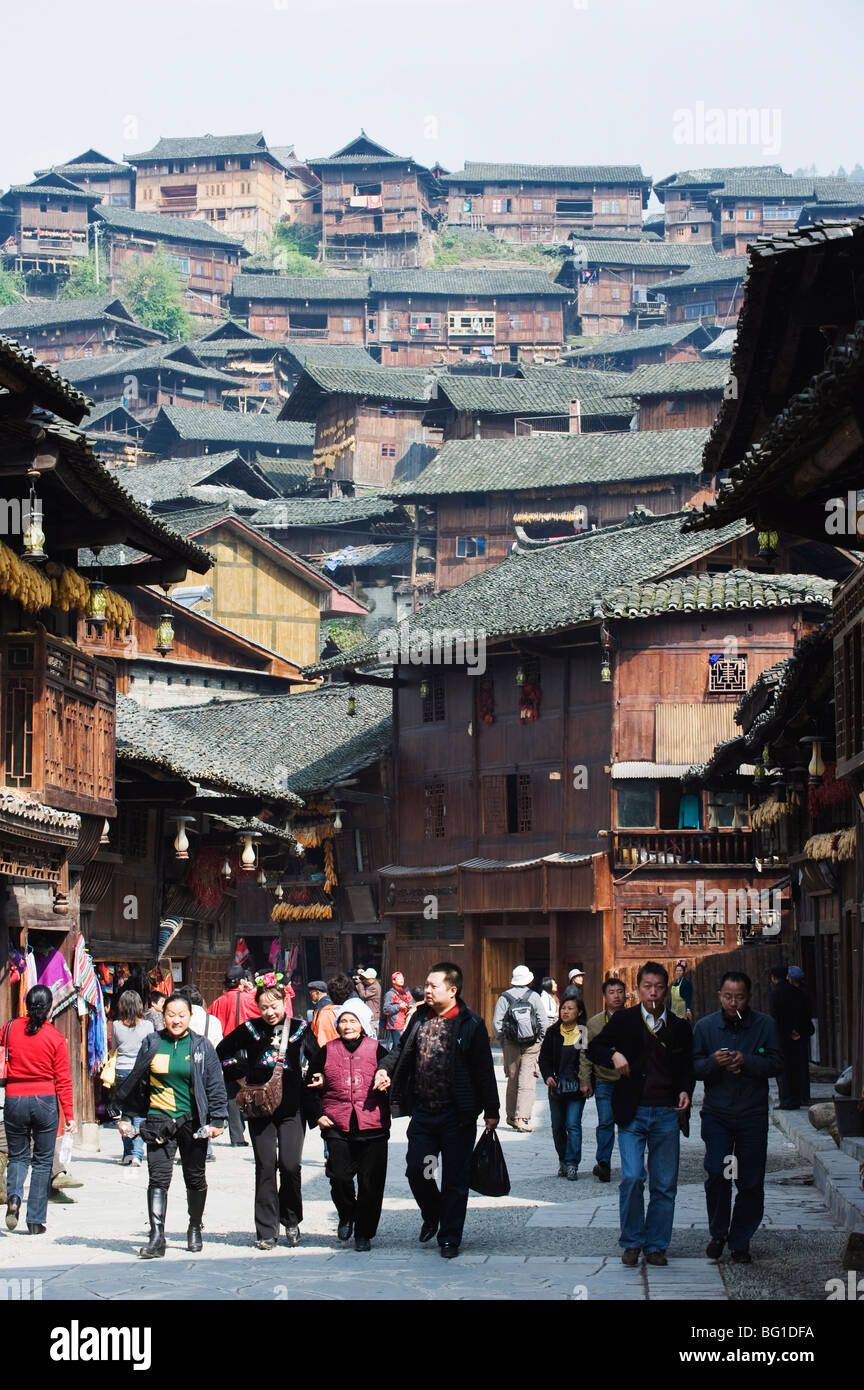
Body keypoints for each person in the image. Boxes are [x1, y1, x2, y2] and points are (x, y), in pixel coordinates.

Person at [374, 962, 499, 1258]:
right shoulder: (419, 1018)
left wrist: (491, 1110)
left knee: (455, 1177)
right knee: (420, 1169)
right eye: (426, 985)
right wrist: (383, 1070)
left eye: (433, 986)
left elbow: (484, 1071)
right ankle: (433, 1213)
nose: (427, 990)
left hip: (457, 1117)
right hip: (425, 1115)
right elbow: (399, 1051)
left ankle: (449, 1237)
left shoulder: (470, 1024)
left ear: (452, 990)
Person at [587, 961, 694, 1267]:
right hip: (632, 1111)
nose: (653, 993)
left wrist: (686, 1090)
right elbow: (594, 1047)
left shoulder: (679, 1027)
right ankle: (632, 1240)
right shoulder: (624, 1021)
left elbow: (687, 1068)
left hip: (666, 1112)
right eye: (647, 987)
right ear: (637, 989)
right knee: (632, 1177)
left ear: (667, 990)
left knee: (664, 1183)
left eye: (659, 987)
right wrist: (613, 1054)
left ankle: (656, 1245)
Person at [114, 993, 227, 1258]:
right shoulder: (152, 1042)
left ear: (190, 1017)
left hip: (193, 1121)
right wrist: (128, 1115)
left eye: (181, 1015)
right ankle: (157, 1236)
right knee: (158, 1178)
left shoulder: (201, 1046)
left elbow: (214, 1084)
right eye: (170, 1015)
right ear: (162, 1016)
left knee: (195, 1177)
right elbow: (137, 1082)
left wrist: (219, 1119)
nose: (176, 1020)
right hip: (158, 1120)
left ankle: (195, 1226)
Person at [693, 971, 784, 1264]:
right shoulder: (706, 1027)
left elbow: (777, 1063)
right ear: (720, 996)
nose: (734, 1003)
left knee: (750, 1180)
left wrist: (747, 1062)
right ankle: (718, 1232)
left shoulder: (765, 1025)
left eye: (739, 997)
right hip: (717, 1113)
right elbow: (692, 1068)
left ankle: (741, 1240)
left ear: (749, 997)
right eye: (728, 997)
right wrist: (712, 1063)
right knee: (718, 1173)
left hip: (752, 1113)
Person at [217, 975, 314, 1250]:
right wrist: (241, 1078)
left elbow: (318, 1059)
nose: (270, 1012)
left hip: (292, 1107)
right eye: (264, 1007)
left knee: (290, 1164)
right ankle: (266, 1230)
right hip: (260, 1108)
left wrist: (316, 1078)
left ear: (284, 1002)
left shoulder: (300, 1028)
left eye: (275, 1006)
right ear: (257, 1007)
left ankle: (292, 1219)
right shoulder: (249, 1029)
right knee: (265, 1166)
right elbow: (222, 1052)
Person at [307, 1007, 390, 1251]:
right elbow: (309, 1084)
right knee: (340, 1176)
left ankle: (364, 1232)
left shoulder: (377, 1049)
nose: (347, 1026)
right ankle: (346, 1213)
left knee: (370, 1183)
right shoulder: (326, 1050)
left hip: (372, 1123)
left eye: (353, 1021)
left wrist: (387, 1083)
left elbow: (395, 1075)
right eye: (343, 1021)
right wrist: (318, 1114)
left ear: (362, 1024)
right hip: (337, 1123)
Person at [4, 985, 77, 1235]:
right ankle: (35, 1220)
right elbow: (63, 1080)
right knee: (43, 1161)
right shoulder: (55, 1037)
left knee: (17, 1156)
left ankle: (14, 1196)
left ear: (26, 1004)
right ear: (49, 1008)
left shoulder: (9, 1029)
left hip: (14, 1097)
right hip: (45, 1099)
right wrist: (69, 1115)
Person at [580, 977, 627, 1182]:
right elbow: (584, 1052)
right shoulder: (594, 1022)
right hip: (604, 1080)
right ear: (605, 996)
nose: (616, 996)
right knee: (606, 1122)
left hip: (628, 1081)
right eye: (612, 992)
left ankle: (630, 1163)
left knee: (629, 1123)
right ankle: (604, 1163)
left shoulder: (633, 1018)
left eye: (620, 991)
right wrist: (585, 1079)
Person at [207, 966, 260, 1145]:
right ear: (241, 981)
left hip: (228, 1051)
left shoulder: (218, 1002)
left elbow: (211, 1021)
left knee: (231, 1092)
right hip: (250, 1049)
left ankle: (237, 1137)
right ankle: (261, 1131)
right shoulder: (251, 999)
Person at [539, 997, 590, 1179]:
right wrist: (548, 1076)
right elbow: (544, 1058)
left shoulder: (583, 1032)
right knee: (557, 1127)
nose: (565, 1012)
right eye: (563, 1008)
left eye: (570, 1008)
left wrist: (587, 1081)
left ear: (579, 1012)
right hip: (556, 1088)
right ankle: (563, 1159)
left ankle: (572, 1163)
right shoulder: (553, 1032)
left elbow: (586, 1060)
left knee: (573, 1125)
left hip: (576, 1088)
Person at [492, 965, 546, 1132]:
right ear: (528, 980)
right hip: (532, 1044)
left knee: (513, 1078)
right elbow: (543, 1020)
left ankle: (510, 1116)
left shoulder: (504, 997)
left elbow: (496, 1023)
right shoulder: (534, 996)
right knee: (527, 1079)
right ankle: (522, 1117)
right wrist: (540, 1040)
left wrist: (504, 1041)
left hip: (511, 1044)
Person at [111, 990, 154, 1167]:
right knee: (140, 1112)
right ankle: (137, 1153)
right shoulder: (148, 1026)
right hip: (142, 1072)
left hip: (122, 1071)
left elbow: (114, 1047)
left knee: (125, 1113)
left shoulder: (115, 1026)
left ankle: (127, 1153)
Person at [786, 966, 814, 1107]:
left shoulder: (796, 993)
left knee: (799, 1065)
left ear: (790, 978)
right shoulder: (805, 991)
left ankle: (801, 1095)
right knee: (802, 1064)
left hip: (797, 1033)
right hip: (804, 1031)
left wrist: (793, 1029)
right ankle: (804, 1095)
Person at [382, 971, 413, 1050]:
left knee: (402, 1046)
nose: (401, 980)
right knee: (398, 1046)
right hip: (396, 1024)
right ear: (393, 981)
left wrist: (410, 1006)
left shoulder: (407, 992)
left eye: (402, 978)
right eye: (399, 978)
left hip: (406, 1022)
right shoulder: (390, 994)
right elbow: (386, 1010)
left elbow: (411, 1003)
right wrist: (399, 1006)